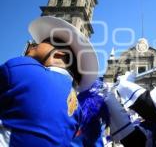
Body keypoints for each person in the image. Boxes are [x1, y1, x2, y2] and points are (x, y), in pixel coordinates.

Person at [0, 16, 99, 146]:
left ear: (59, 54)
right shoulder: (77, 110)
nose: (34, 44)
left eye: (45, 41)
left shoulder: (23, 68)